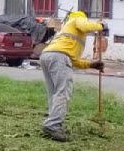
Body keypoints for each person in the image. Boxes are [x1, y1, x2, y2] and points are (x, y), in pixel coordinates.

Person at [40, 11, 107, 141]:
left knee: (54, 92)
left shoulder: (68, 34)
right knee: (63, 92)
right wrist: (101, 25)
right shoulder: (77, 19)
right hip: (58, 57)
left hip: (47, 55)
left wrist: (91, 65)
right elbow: (86, 26)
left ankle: (52, 120)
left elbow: (73, 60)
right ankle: (53, 125)